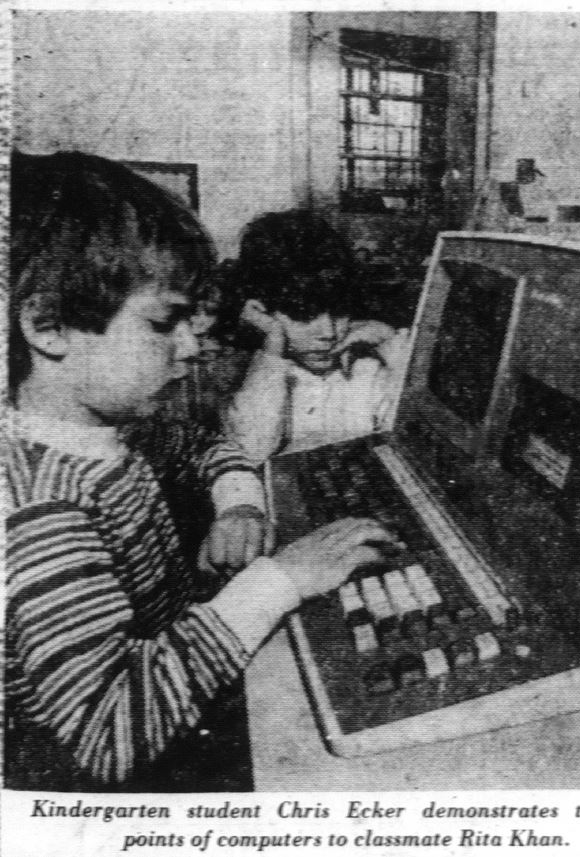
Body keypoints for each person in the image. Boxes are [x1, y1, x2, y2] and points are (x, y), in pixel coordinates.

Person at [5, 151, 395, 790]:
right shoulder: (38, 508)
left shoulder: (111, 432)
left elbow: (202, 444)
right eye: (164, 322)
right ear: (49, 326)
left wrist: (238, 500)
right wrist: (279, 580)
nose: (192, 345)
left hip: (183, 674)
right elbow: (110, 734)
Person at [219, 209, 412, 462]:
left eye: (340, 313)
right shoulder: (255, 377)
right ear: (260, 313)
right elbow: (253, 449)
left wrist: (391, 344)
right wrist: (273, 342)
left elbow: (411, 442)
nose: (329, 333)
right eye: (304, 316)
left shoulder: (366, 370)